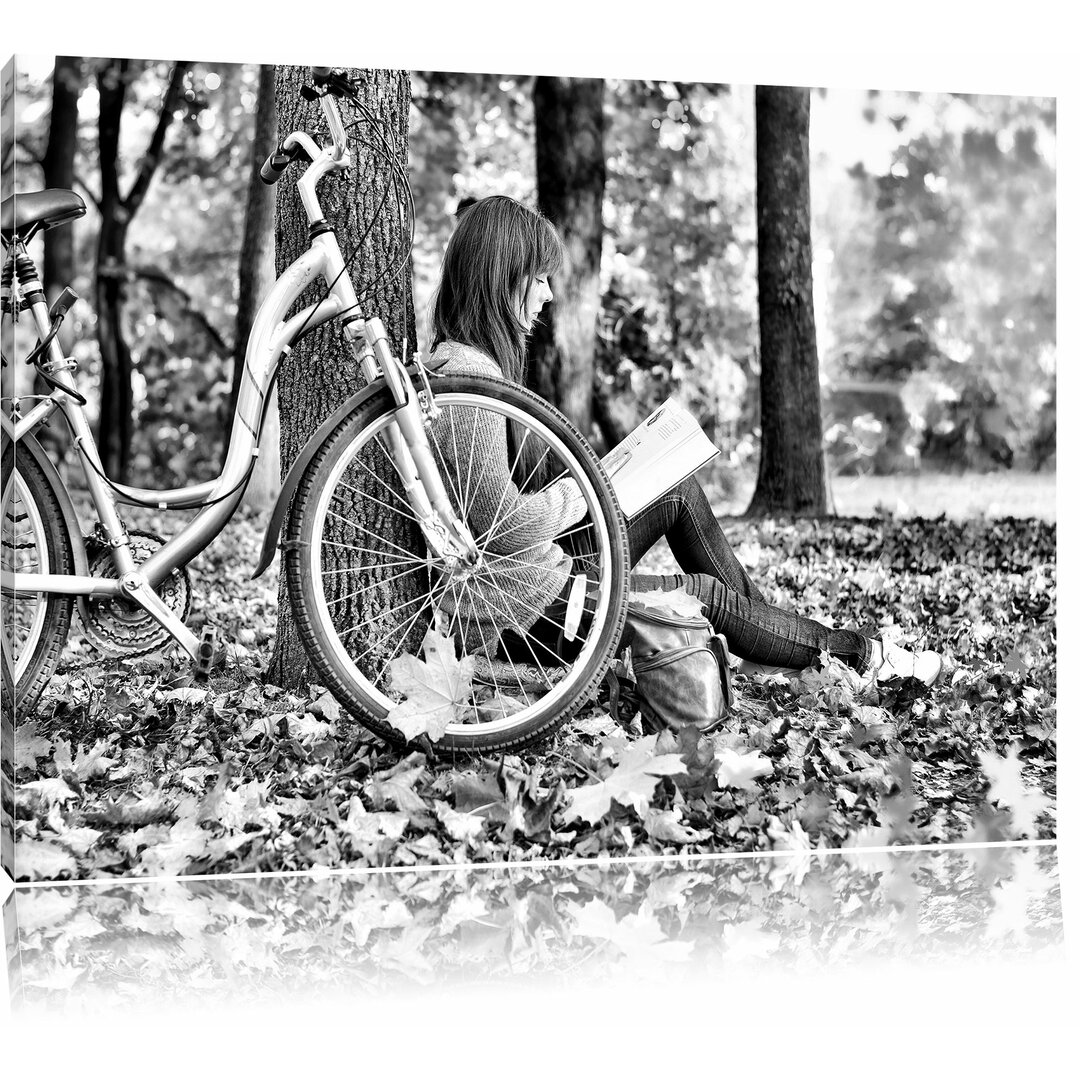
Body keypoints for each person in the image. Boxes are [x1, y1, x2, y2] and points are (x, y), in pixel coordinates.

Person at [427, 195, 941, 687]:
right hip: (534, 615)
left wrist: (600, 482)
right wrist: (585, 488)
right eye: (538, 279)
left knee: (679, 492)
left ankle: (765, 632)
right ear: (501, 280)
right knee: (704, 597)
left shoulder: (470, 365)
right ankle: (860, 655)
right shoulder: (473, 379)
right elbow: (503, 527)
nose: (548, 294)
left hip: (542, 580)